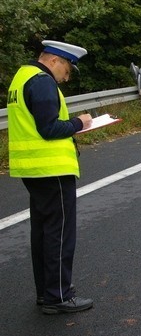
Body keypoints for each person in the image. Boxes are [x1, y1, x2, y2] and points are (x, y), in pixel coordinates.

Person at [6, 40, 94, 314]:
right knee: (59, 233)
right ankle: (59, 296)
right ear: (54, 60)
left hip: (33, 169)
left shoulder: (22, 77)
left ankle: (47, 293)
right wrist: (80, 123)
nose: (66, 77)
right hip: (52, 169)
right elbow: (49, 128)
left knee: (43, 233)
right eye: (67, 69)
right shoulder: (43, 81)